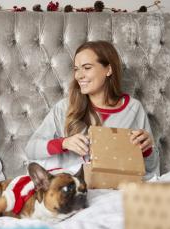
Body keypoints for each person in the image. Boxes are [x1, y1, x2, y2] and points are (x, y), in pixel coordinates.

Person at [25, 40, 159, 180]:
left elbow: (151, 169)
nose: (78, 75)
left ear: (109, 69)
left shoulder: (134, 108)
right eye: (76, 69)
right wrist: (64, 143)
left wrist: (147, 149)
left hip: (114, 191)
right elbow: (31, 149)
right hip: (74, 192)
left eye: (87, 68)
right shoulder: (64, 108)